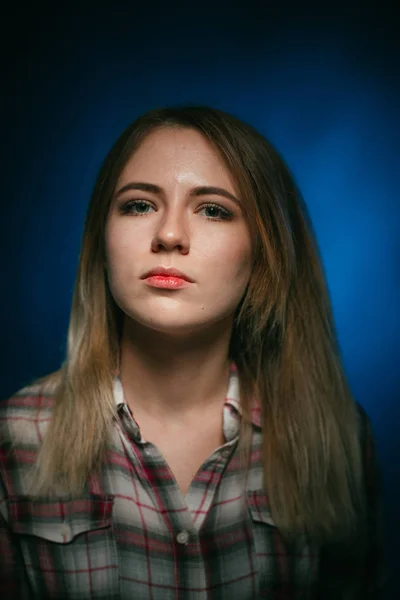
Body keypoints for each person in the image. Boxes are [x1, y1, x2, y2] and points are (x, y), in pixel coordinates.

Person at [0, 106, 385, 599]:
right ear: (102, 239)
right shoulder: (13, 439)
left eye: (214, 210)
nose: (169, 235)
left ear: (262, 253)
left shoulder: (340, 439)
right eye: (139, 205)